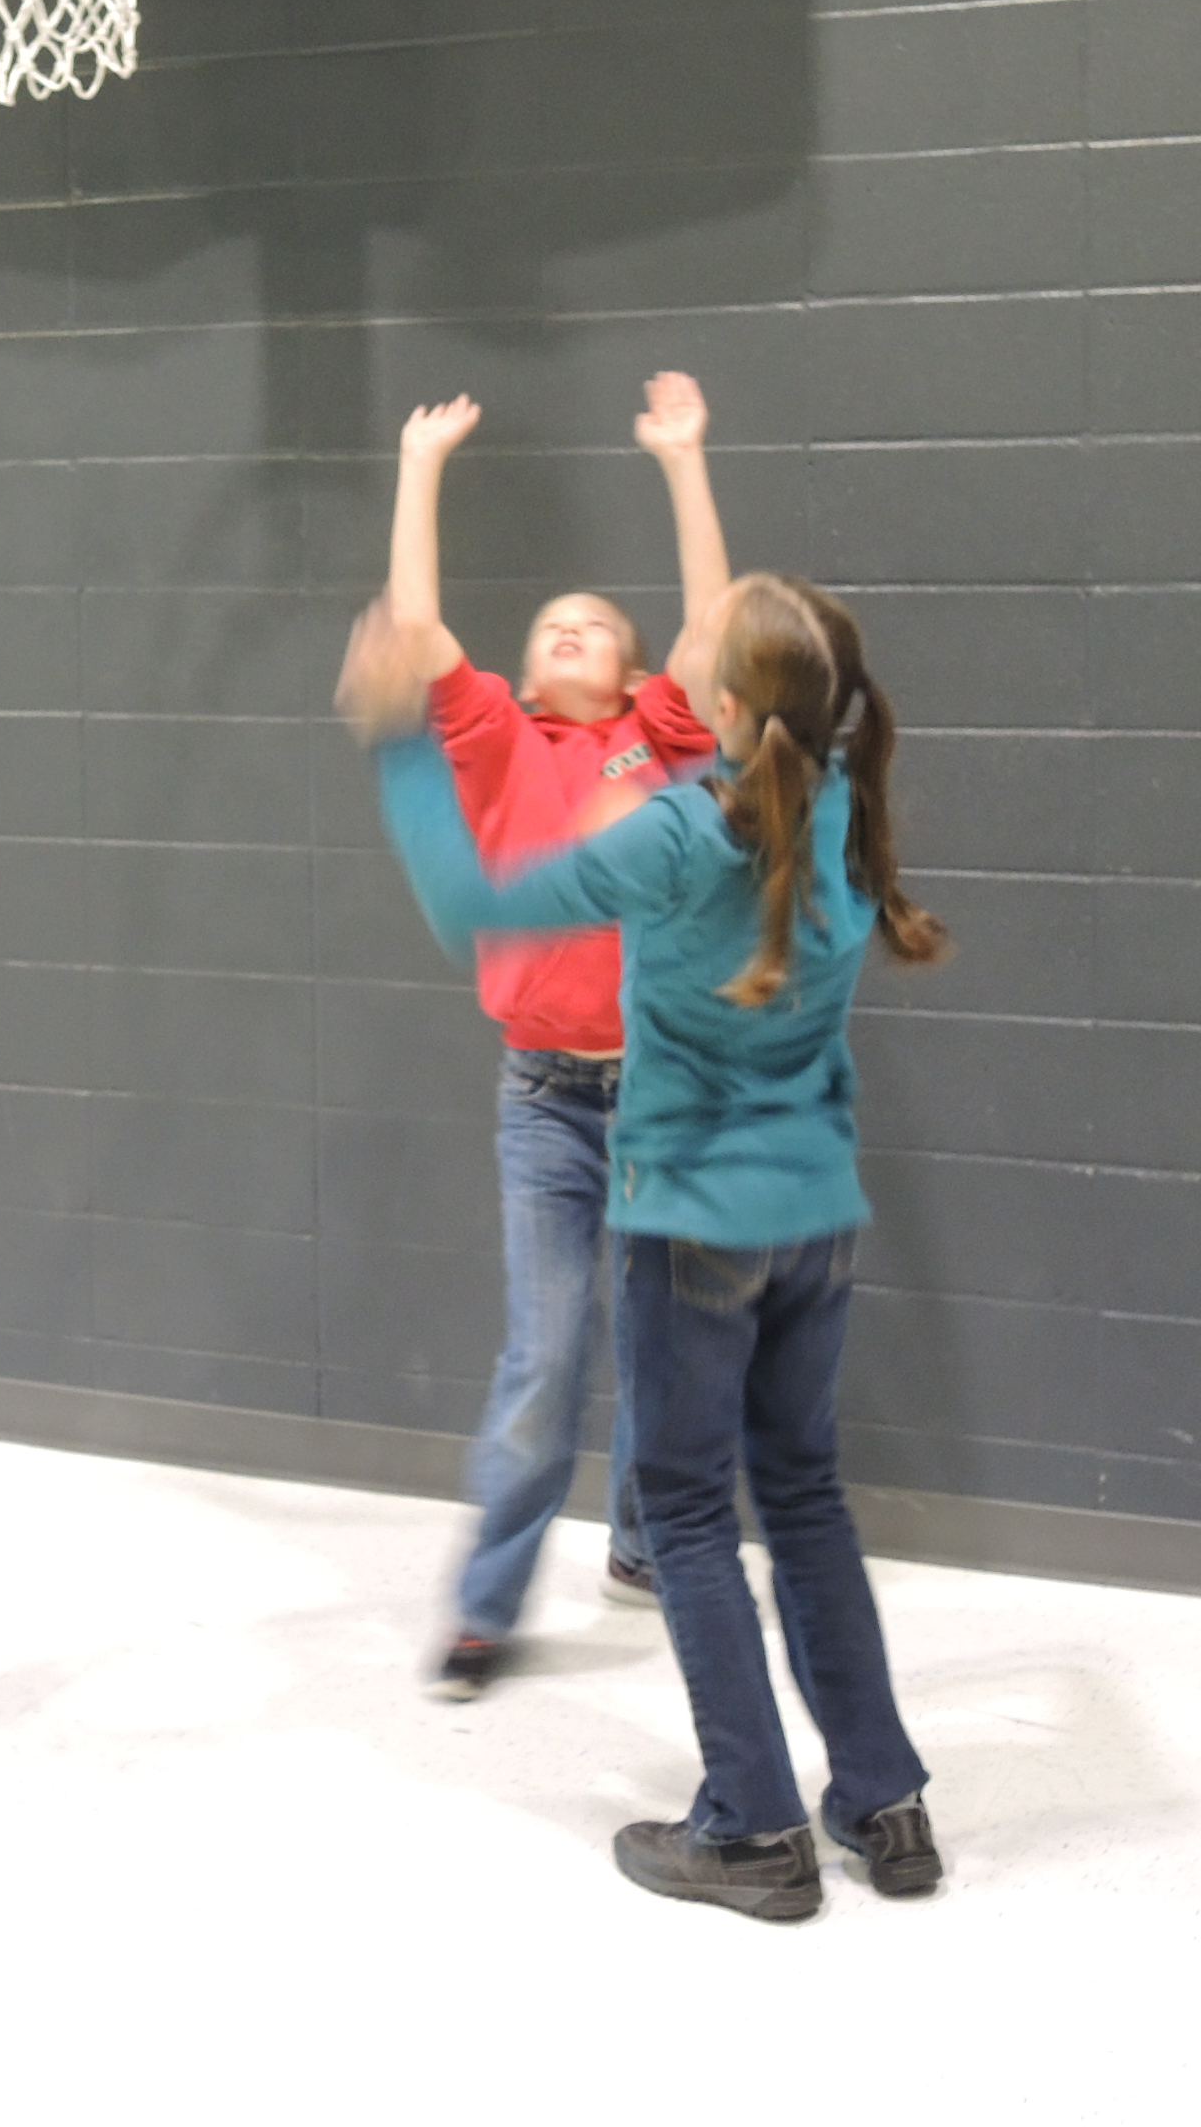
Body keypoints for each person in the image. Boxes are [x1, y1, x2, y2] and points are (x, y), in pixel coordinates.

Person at [340, 571, 953, 1921]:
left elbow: (471, 906)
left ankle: (752, 1829)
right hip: (817, 1219)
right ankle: (883, 1803)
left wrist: (395, 738)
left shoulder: (680, 833)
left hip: (691, 1222)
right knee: (803, 1498)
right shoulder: (844, 806)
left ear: (722, 705)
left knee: (681, 1512)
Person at [386, 373, 729, 1700]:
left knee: (663, 1343)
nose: (573, 631)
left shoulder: (661, 735)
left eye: (596, 625)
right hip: (544, 1104)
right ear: (528, 670)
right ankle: (485, 1606)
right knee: (543, 1360)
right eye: (554, 626)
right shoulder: (497, 740)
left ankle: (642, 1544)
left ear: (633, 671)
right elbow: (415, 624)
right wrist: (421, 468)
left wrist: (683, 459)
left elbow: (713, 622)